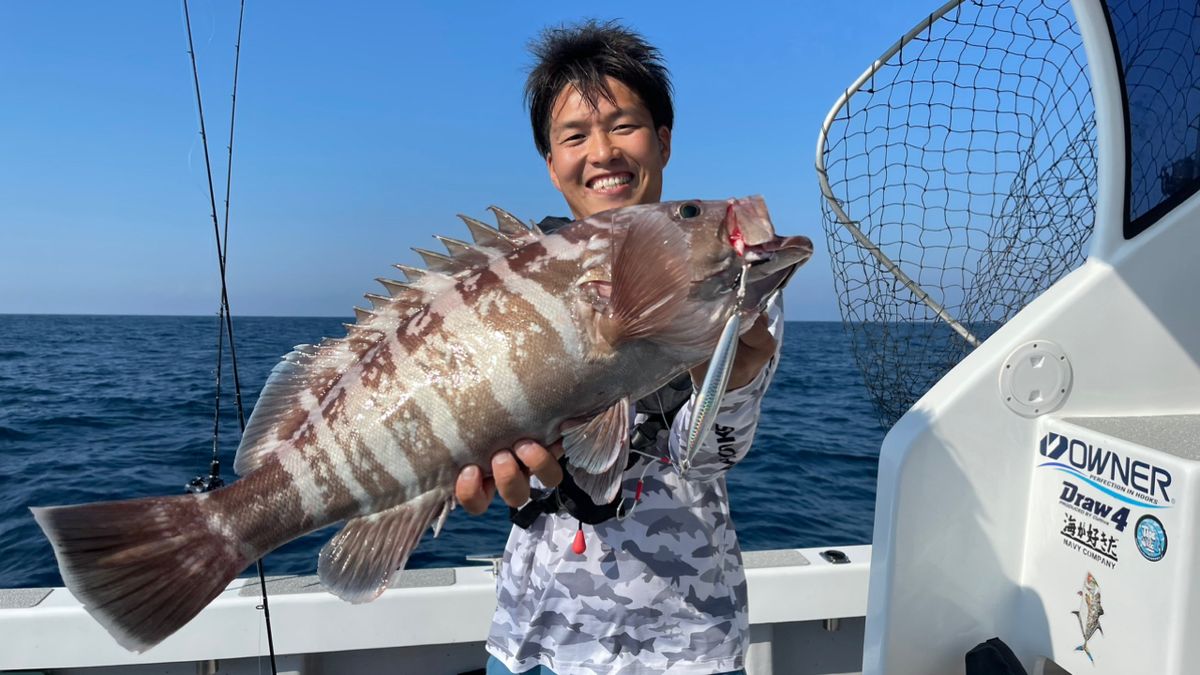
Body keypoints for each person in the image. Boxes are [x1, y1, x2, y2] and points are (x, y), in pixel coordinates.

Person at [453, 20, 785, 675]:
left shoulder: (732, 279)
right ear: (552, 166)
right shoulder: (512, 283)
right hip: (529, 637)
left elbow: (711, 452)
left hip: (681, 645)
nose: (602, 151)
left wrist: (736, 367)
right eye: (575, 135)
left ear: (662, 141)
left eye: (624, 125)